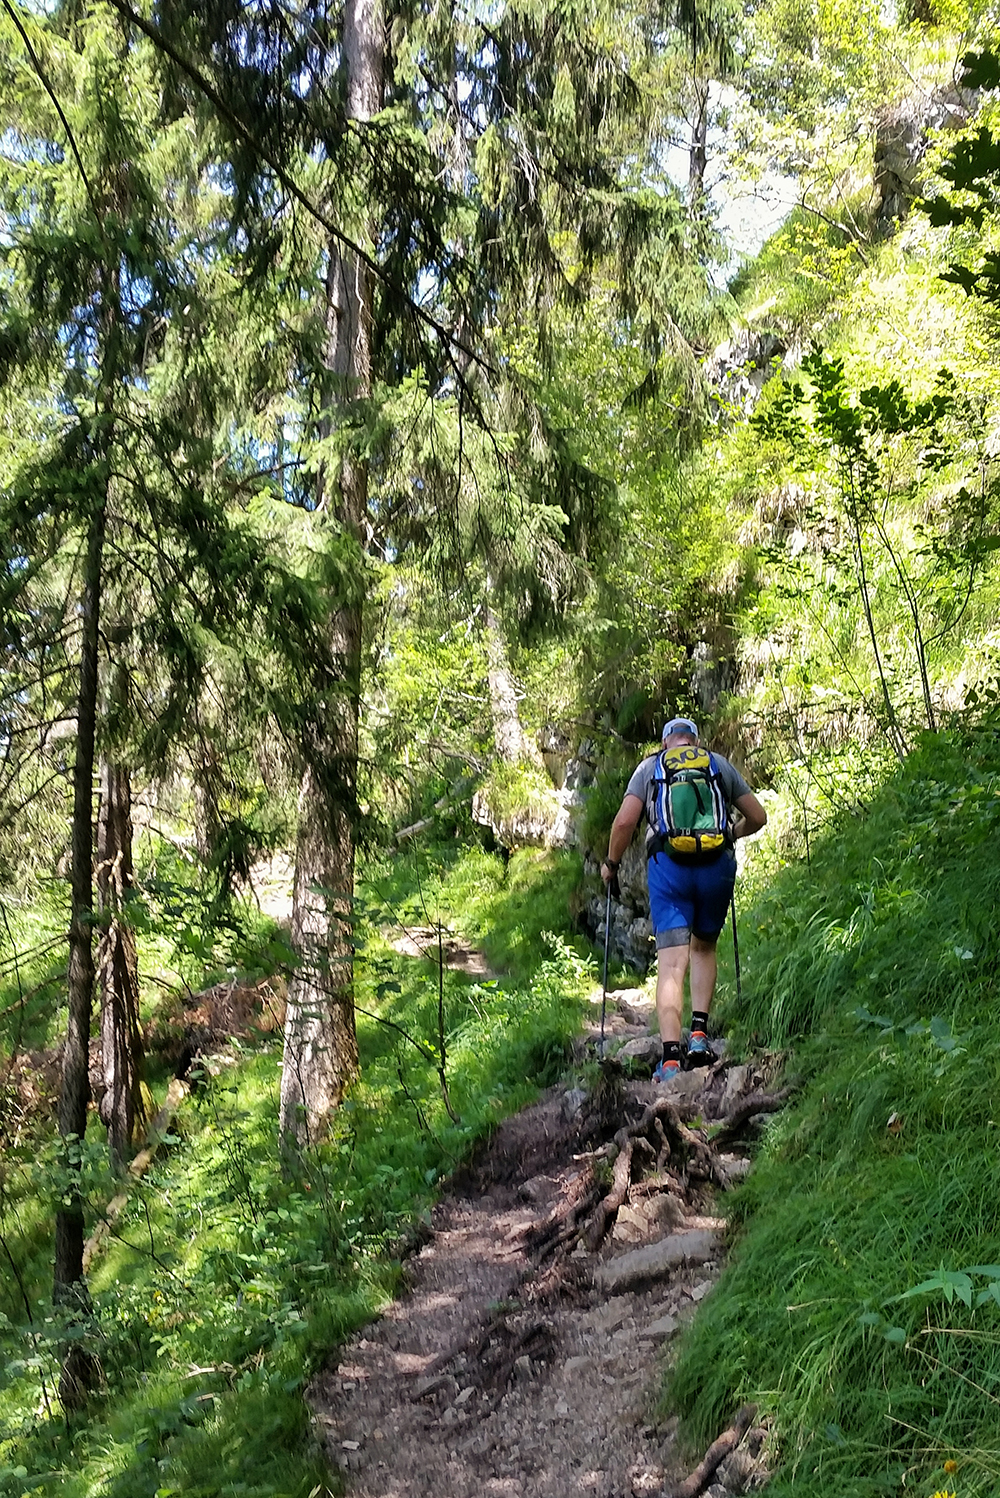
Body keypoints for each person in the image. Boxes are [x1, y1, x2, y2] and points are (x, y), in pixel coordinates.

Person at [601, 717, 767, 1084]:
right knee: (704, 949)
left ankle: (671, 1060)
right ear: (695, 741)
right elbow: (758, 816)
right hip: (716, 869)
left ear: (665, 743)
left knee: (672, 965)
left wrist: (611, 864)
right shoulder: (716, 764)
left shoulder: (650, 768)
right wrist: (731, 835)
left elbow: (626, 821)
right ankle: (699, 1037)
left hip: (670, 870)